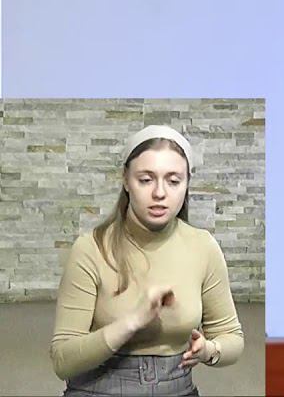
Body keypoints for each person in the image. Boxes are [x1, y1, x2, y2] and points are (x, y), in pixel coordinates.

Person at [50, 125, 244, 396]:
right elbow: (62, 360)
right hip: (98, 389)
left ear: (187, 183)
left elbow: (232, 338)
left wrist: (210, 350)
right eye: (145, 180)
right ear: (126, 180)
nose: (159, 193)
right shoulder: (90, 248)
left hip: (178, 388)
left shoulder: (203, 247)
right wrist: (131, 322)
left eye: (173, 181)